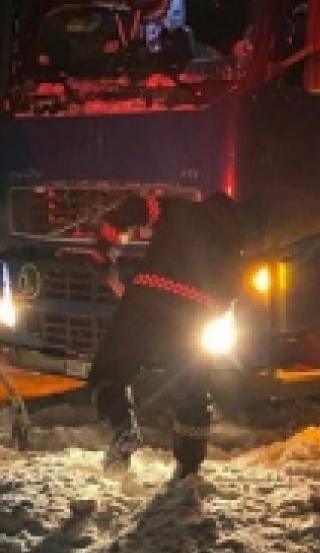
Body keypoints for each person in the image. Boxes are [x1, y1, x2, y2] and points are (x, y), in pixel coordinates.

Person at [88, 191, 244, 478]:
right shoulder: (236, 242)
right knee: (193, 394)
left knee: (108, 371)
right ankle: (188, 468)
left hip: (145, 300)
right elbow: (232, 292)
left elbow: (133, 207)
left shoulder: (178, 208)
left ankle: (124, 429)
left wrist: (103, 249)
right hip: (193, 317)